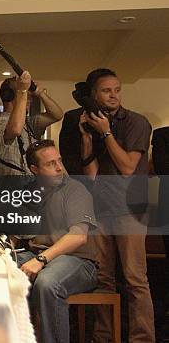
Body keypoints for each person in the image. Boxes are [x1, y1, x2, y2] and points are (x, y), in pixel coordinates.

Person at [79, 68, 155, 342]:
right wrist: (88, 138)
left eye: (117, 89)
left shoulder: (136, 122)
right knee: (103, 279)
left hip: (131, 209)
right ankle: (103, 337)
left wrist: (106, 133)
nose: (113, 95)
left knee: (135, 280)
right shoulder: (95, 124)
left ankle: (142, 339)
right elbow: (91, 176)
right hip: (102, 208)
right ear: (94, 95)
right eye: (106, 90)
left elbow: (127, 167)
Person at [17, 140, 97, 343]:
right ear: (34, 169)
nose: (60, 167)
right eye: (50, 164)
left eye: (59, 161)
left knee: (47, 283)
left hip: (78, 261)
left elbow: (79, 236)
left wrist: (41, 259)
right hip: (38, 255)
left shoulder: (75, 190)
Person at [0, 71, 63, 175]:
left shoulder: (28, 123)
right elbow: (15, 129)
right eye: (25, 94)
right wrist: (22, 90)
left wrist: (39, 92)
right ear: (8, 96)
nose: (29, 99)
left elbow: (57, 115)